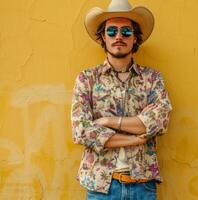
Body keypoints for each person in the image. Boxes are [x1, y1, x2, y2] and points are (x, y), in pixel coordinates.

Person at [71, 0, 172, 199]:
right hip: (101, 186)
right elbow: (81, 131)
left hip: (142, 186)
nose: (119, 36)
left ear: (135, 38)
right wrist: (135, 137)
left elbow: (159, 121)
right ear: (103, 37)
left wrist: (107, 121)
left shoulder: (152, 79)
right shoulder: (87, 79)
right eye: (112, 31)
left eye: (126, 31)